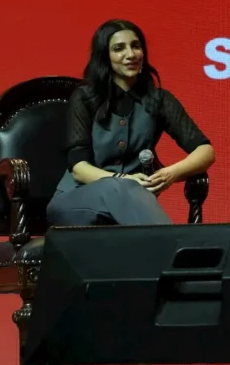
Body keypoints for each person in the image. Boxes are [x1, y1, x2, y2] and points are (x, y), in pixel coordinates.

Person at [47, 19, 216, 226]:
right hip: (76, 200)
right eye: (119, 48)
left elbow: (205, 151)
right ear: (105, 57)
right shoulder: (85, 98)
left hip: (129, 203)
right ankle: (174, 245)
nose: (130, 54)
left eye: (135, 46)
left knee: (127, 193)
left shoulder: (159, 100)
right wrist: (123, 180)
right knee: (119, 187)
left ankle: (166, 248)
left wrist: (170, 174)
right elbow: (80, 170)